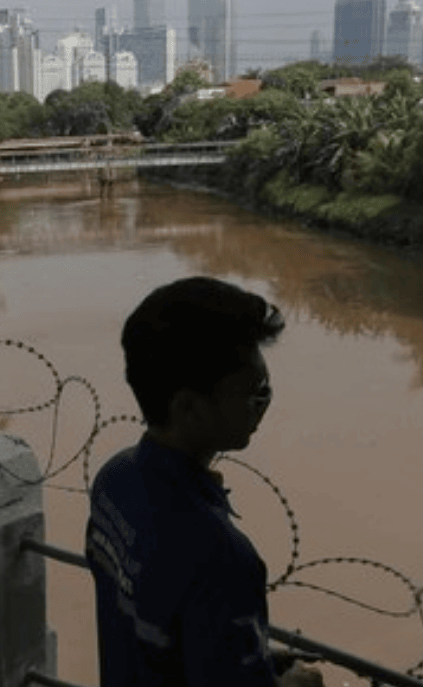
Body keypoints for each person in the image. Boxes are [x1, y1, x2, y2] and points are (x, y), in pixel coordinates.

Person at [85, 276, 322, 687]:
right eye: (256, 392)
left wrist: (241, 652)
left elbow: (154, 625)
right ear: (189, 407)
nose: (265, 404)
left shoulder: (114, 480)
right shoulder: (221, 556)